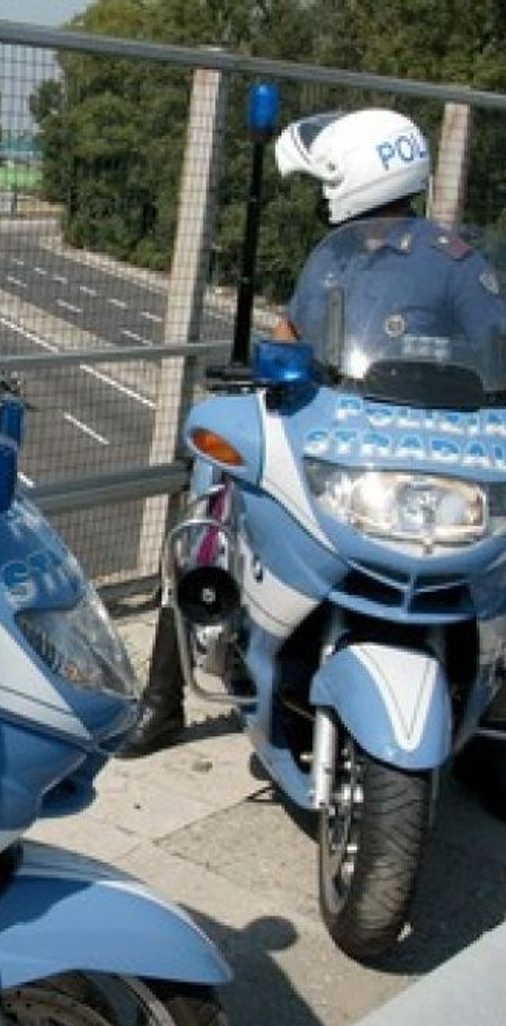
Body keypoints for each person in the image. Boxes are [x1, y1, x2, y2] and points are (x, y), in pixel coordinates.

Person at [120, 107, 506, 758]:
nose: (325, 189)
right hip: (340, 433)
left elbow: (495, 345)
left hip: (433, 448)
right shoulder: (336, 258)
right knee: (208, 500)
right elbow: (293, 334)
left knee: (492, 572)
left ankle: (492, 727)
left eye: (331, 175)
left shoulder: (453, 265)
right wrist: (262, 373)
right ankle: (164, 699)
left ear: (359, 173)